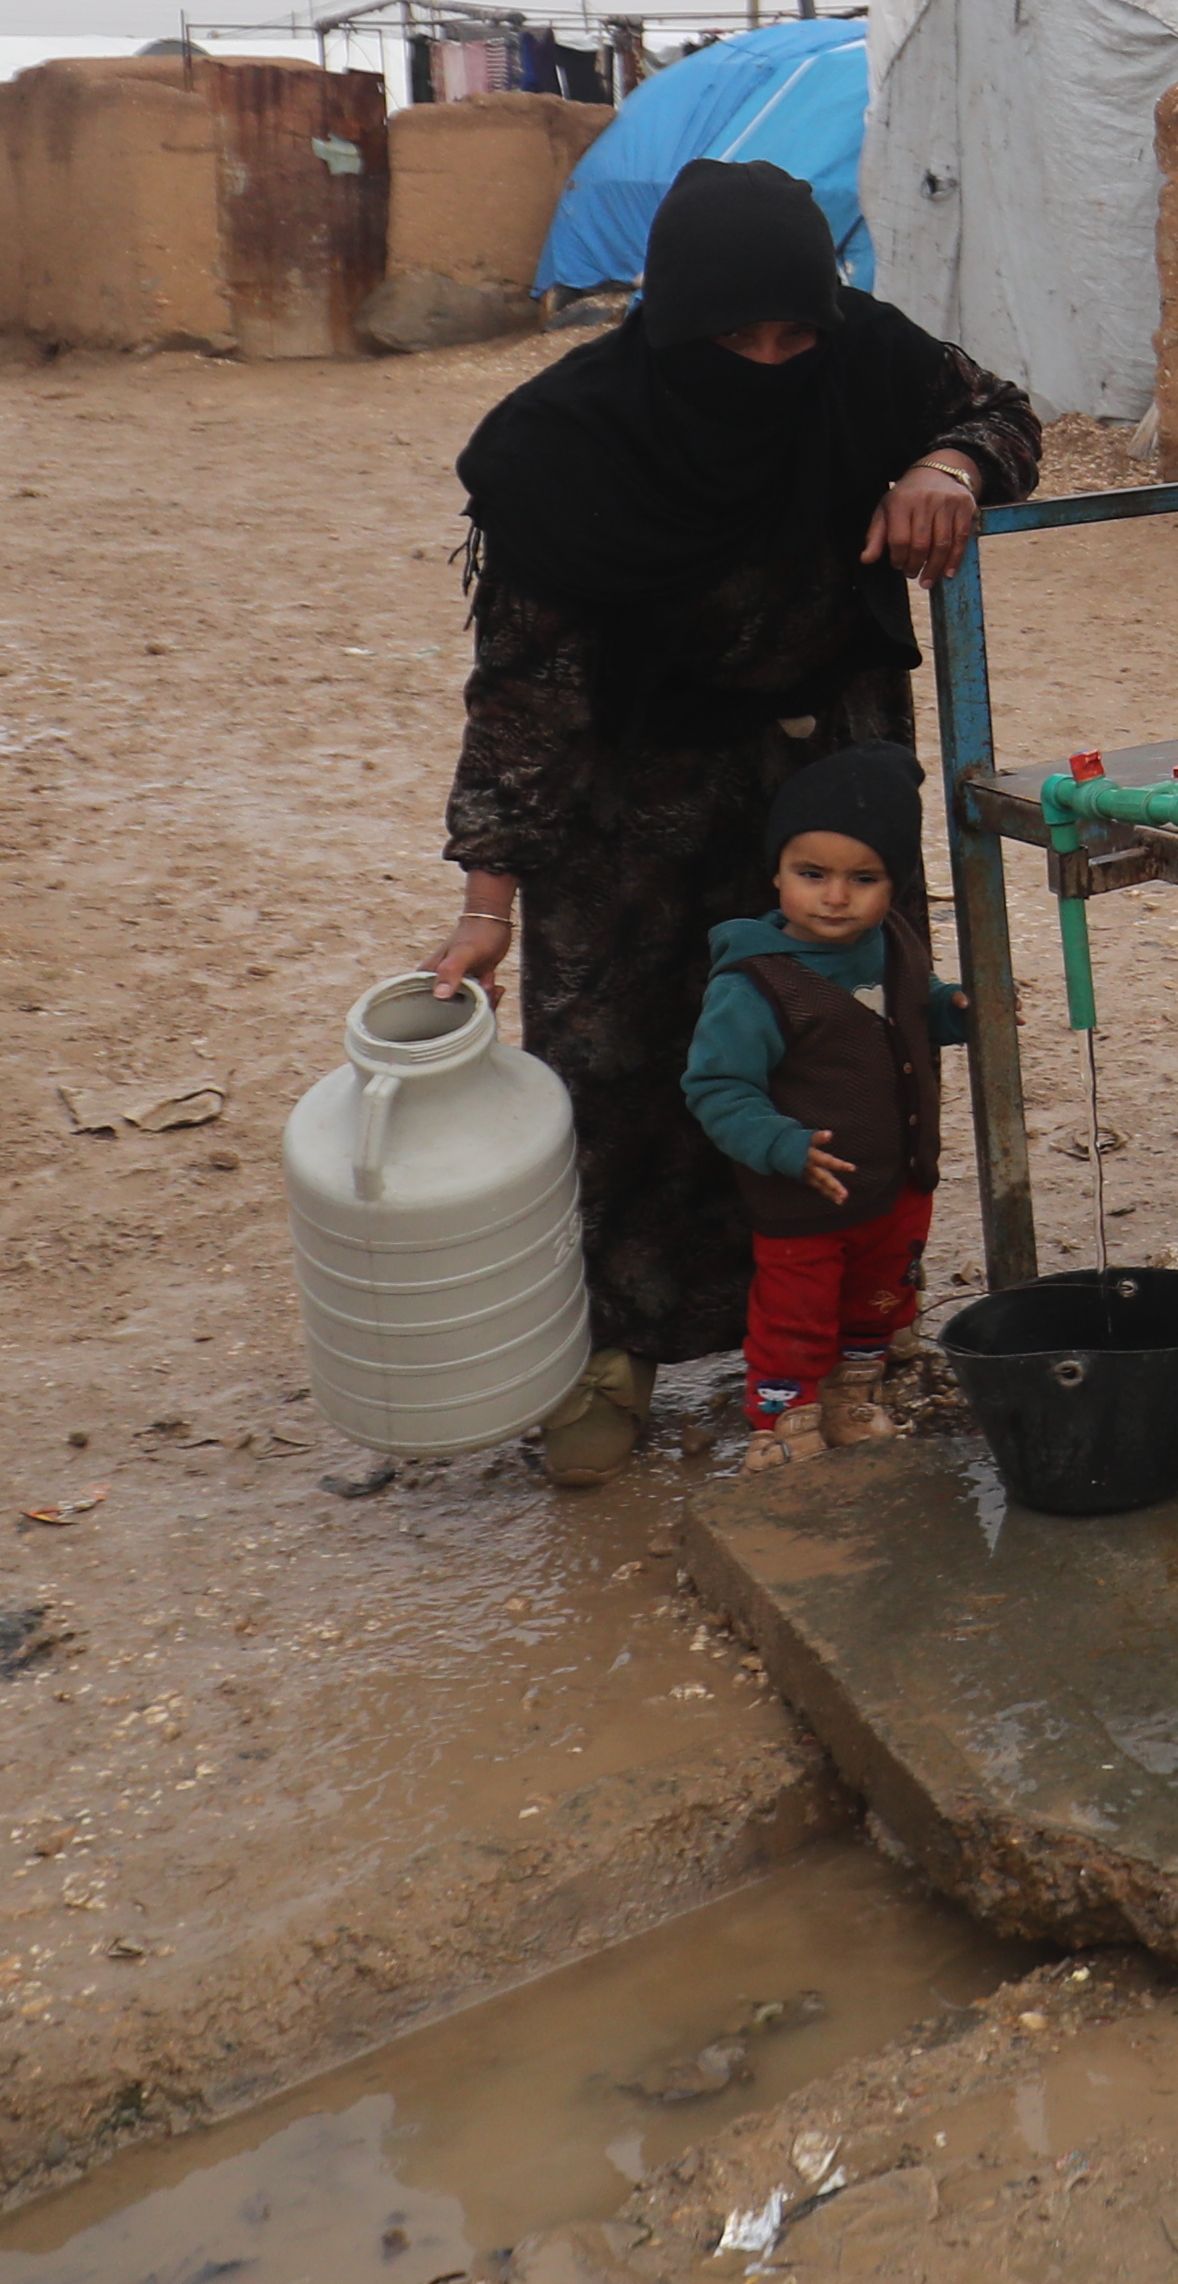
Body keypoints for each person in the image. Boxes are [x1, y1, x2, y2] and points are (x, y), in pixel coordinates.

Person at [430, 159, 1042, 1486]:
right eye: (734, 340)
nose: (768, 364)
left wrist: (944, 461)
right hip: (634, 803)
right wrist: (488, 903)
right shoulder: (564, 448)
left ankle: (855, 1331)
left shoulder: (870, 361)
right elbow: (524, 696)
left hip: (828, 774)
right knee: (626, 1062)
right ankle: (616, 1350)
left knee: (851, 1048)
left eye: (792, 336)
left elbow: (1002, 414)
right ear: (671, 321)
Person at [688, 742, 955, 1470]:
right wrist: (781, 1145)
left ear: (895, 885)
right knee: (794, 1314)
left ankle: (850, 1393)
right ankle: (784, 1417)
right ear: (776, 873)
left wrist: (952, 1009)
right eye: (812, 875)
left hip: (896, 1188)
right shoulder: (753, 984)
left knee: (878, 1300)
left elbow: (915, 1006)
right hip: (803, 1199)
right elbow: (716, 1088)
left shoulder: (892, 941)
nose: (836, 897)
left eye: (863, 879)